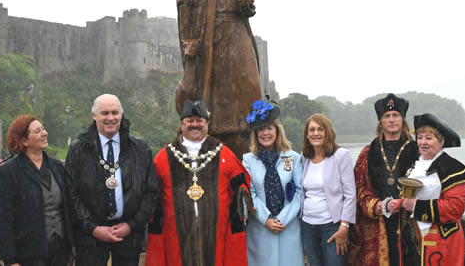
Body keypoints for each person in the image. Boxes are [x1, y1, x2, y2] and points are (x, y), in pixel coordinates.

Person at [175, 0, 262, 158]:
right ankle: (216, 136)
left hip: (238, 31)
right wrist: (188, 40)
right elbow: (185, 4)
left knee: (249, 82)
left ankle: (251, 133)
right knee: (211, 90)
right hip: (210, 35)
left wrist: (248, 8)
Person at [146, 99, 253, 266]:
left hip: (216, 236)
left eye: (199, 121)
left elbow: (241, 191)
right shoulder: (164, 156)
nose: (194, 125)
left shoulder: (224, 154)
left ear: (207, 124)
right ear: (182, 124)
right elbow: (151, 196)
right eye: (190, 121)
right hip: (176, 238)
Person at [65, 94, 159, 266]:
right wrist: (93, 228)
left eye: (115, 113)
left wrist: (131, 225)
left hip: (129, 236)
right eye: (105, 113)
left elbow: (151, 193)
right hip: (89, 237)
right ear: (94, 116)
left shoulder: (140, 149)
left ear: (121, 115)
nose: (110, 118)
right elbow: (71, 194)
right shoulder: (78, 150)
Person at [348, 93, 419, 266]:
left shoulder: (418, 150)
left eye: (396, 115)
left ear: (403, 119)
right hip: (377, 226)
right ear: (381, 121)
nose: (392, 119)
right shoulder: (367, 153)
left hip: (410, 225)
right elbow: (357, 191)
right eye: (387, 116)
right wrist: (379, 206)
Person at [0, 114, 73, 266]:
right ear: (24, 141)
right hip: (28, 255)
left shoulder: (57, 167)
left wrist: (72, 247)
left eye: (43, 129)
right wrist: (10, 260)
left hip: (61, 251)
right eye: (37, 131)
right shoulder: (7, 173)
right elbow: (2, 221)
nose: (44, 133)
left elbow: (66, 208)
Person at [399, 113, 465, 265]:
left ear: (441, 142)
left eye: (429, 138)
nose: (423, 142)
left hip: (442, 242)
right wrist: (399, 203)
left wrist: (416, 206)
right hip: (414, 239)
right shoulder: (416, 166)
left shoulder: (452, 168)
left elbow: (456, 207)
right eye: (420, 138)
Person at [242, 100, 304, 266]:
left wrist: (282, 219)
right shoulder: (248, 160)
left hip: (288, 227)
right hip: (260, 228)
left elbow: (300, 192)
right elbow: (250, 193)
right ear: (255, 133)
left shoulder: (293, 157)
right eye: (261, 129)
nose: (265, 133)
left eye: (269, 128)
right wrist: (267, 219)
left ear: (277, 130)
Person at [300, 114, 356, 266]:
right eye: (311, 130)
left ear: (327, 132)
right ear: (307, 134)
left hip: (332, 226)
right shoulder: (304, 157)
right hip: (307, 226)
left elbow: (350, 194)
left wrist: (344, 226)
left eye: (320, 129)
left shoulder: (340, 155)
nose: (316, 133)